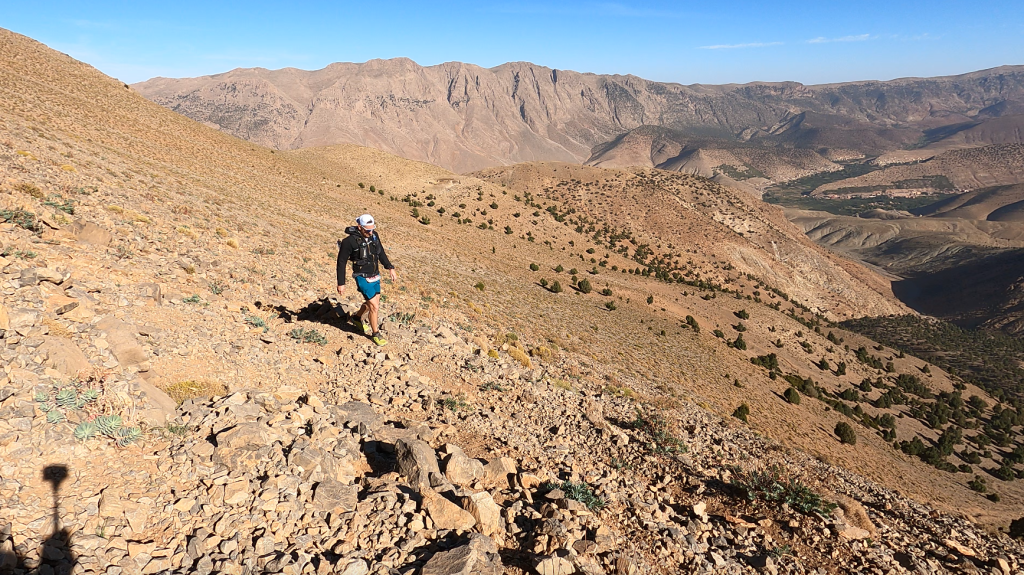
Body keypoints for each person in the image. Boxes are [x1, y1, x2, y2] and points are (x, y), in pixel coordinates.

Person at [336, 214, 397, 345]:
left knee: (372, 305)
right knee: (374, 306)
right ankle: (376, 334)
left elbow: (381, 253)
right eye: (367, 229)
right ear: (359, 227)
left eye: (372, 228)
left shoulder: (374, 236)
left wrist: (390, 267)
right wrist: (341, 283)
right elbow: (341, 262)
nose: (370, 232)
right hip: (362, 276)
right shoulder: (349, 242)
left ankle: (357, 318)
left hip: (375, 275)